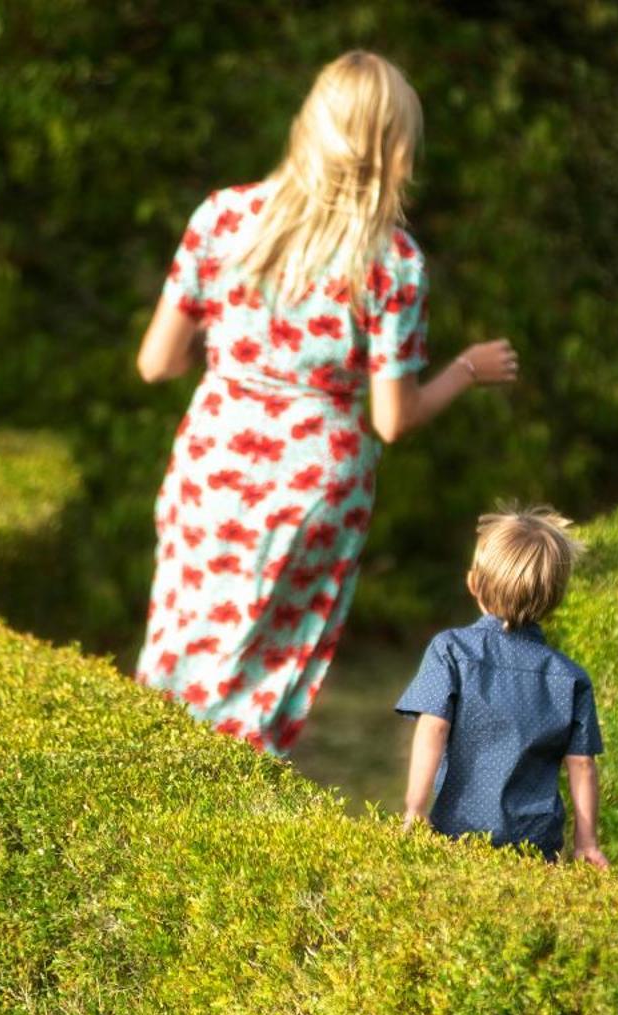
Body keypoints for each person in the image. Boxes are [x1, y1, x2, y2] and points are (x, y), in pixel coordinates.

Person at [134, 50, 518, 756]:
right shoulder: (392, 261)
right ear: (391, 147)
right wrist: (466, 369)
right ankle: (219, 831)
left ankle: (141, 804)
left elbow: (156, 361)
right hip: (313, 485)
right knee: (259, 675)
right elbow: (393, 419)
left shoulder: (221, 217)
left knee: (178, 647)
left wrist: (229, 352)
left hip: (212, 459)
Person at [395, 506, 608, 866]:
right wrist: (586, 843)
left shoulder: (451, 650)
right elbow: (582, 765)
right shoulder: (571, 677)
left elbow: (433, 726)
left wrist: (415, 807)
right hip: (537, 844)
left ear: (473, 583)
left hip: (459, 831)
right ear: (554, 599)